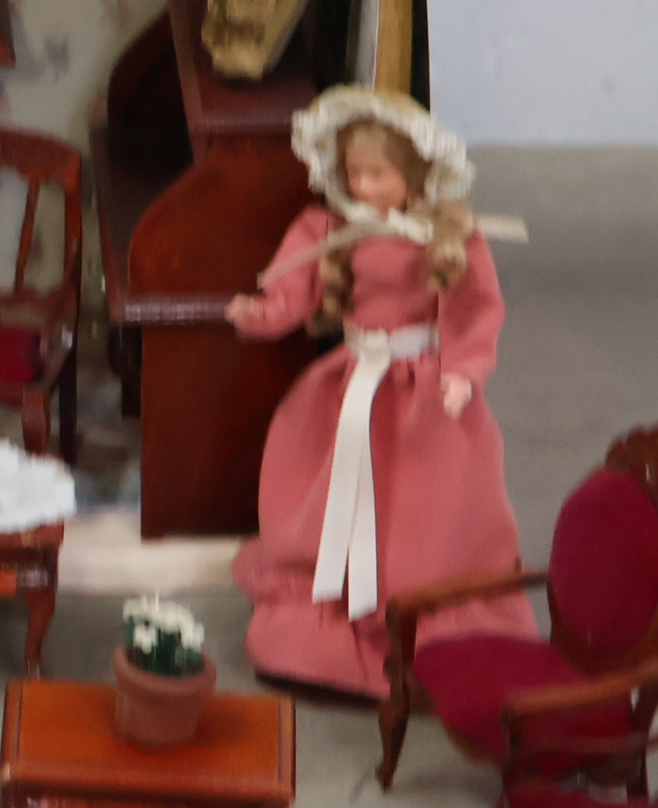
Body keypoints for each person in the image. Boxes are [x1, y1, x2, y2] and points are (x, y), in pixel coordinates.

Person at [223, 87, 534, 697]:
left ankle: (414, 620)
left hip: (419, 394)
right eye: (353, 173)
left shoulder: (446, 235)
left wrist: (463, 370)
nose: (361, 187)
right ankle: (329, 623)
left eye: (376, 175)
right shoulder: (329, 229)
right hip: (350, 388)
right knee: (333, 497)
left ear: (412, 175)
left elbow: (475, 308)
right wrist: (260, 313)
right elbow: (291, 290)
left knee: (419, 511)